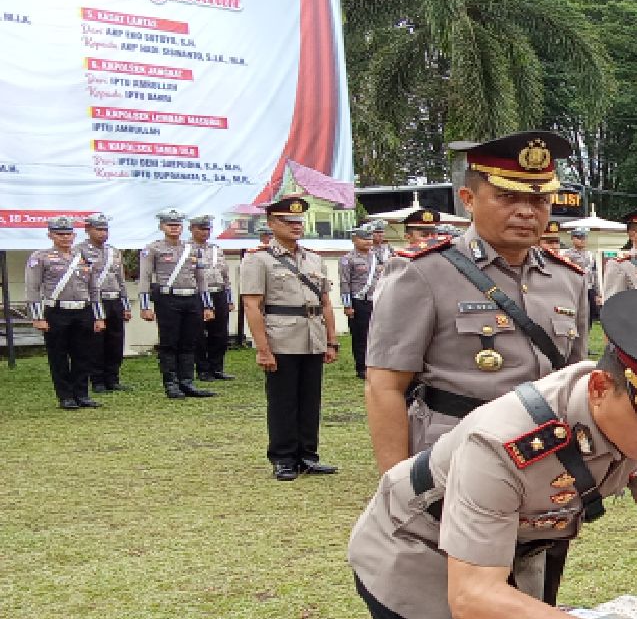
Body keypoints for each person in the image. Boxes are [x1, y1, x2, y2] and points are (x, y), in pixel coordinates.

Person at [348, 289, 637, 619]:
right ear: (598, 388)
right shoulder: (502, 440)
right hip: (418, 551)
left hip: (510, 551)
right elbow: (473, 596)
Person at [363, 131, 592, 483]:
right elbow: (385, 385)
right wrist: (397, 483)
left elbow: (572, 380)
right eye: (507, 197)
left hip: (543, 457)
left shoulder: (568, 279)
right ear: (468, 199)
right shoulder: (423, 272)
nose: (526, 212)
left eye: (540, 200)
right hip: (453, 453)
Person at [239, 195, 340, 480]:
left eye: (299, 221)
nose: (296, 226)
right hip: (281, 336)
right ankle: (283, 458)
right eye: (288, 221)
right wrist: (262, 349)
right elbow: (252, 306)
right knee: (283, 400)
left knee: (310, 400)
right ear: (271, 223)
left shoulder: (314, 259)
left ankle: (307, 455)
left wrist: (331, 340)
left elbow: (326, 303)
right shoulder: (258, 260)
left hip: (313, 335)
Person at [26, 215, 105, 410]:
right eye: (60, 234)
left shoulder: (84, 257)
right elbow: (32, 288)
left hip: (83, 311)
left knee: (83, 355)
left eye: (68, 234)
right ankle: (65, 396)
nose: (65, 238)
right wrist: (37, 317)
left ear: (74, 235)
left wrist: (99, 315)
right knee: (58, 356)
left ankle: (82, 394)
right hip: (56, 311)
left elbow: (94, 289)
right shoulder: (41, 257)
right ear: (50, 235)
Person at [138, 208, 217, 399]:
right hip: (168, 299)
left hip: (191, 299)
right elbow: (145, 277)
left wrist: (207, 305)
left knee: (190, 342)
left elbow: (201, 279)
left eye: (177, 225)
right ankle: (171, 383)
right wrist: (144, 305)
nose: (174, 228)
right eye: (170, 225)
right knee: (169, 342)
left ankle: (187, 382)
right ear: (162, 226)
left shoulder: (192, 249)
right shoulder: (153, 248)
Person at [75, 213, 131, 393]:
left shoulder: (113, 251)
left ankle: (112, 378)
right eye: (98, 229)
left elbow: (121, 279)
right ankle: (97, 380)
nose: (102, 233)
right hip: (94, 301)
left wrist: (126, 304)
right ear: (88, 230)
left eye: (105, 229)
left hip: (114, 299)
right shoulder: (79, 250)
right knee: (95, 342)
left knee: (115, 340)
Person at [190, 215, 236, 382]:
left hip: (218, 293)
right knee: (199, 334)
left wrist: (229, 299)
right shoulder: (186, 249)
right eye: (201, 229)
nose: (204, 232)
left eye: (207, 229)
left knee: (220, 333)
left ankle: (217, 368)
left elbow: (225, 276)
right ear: (192, 229)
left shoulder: (216, 249)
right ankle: (203, 369)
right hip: (197, 294)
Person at [339, 222, 383, 379]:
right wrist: (347, 305)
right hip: (359, 301)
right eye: (364, 239)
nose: (368, 242)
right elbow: (345, 283)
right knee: (360, 336)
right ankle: (361, 367)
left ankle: (375, 365)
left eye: (369, 238)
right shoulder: (347, 259)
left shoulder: (377, 257)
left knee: (377, 335)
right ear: (354, 240)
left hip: (375, 300)